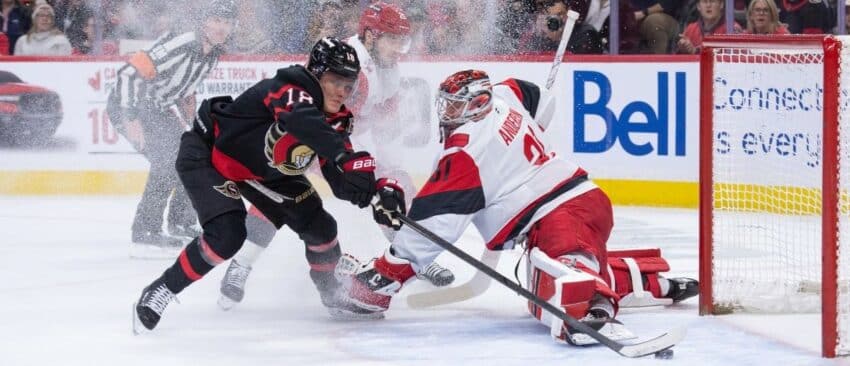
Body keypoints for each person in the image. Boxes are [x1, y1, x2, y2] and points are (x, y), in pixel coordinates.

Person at [336, 70, 699, 344]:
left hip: (563, 212)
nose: (446, 112)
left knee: (555, 290)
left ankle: (594, 311)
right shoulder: (504, 95)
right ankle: (655, 282)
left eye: (455, 104)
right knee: (543, 274)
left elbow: (434, 226)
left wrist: (387, 276)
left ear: (477, 103)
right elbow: (539, 98)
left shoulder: (466, 151)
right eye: (446, 103)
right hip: (573, 205)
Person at [132, 36, 408, 333]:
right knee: (227, 235)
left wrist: (376, 193)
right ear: (315, 73)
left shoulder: (338, 121)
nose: (342, 91)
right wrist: (342, 154)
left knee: (321, 227)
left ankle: (332, 293)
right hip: (210, 154)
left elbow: (342, 183)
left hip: (265, 173)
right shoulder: (290, 87)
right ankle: (162, 289)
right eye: (335, 81)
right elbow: (303, 121)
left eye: (348, 85)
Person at [216, 1, 454, 311]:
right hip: (300, 139)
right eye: (392, 39)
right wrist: (359, 168)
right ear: (370, 36)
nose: (399, 49)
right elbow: (325, 127)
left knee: (395, 187)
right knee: (282, 196)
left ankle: (412, 256)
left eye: (402, 41)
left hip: (332, 141)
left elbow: (383, 125)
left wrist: (390, 171)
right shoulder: (355, 71)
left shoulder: (388, 70)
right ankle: (241, 265)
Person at [107, 0, 235, 257]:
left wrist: (189, 114)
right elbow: (128, 74)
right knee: (167, 162)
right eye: (216, 21)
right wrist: (131, 118)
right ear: (204, 22)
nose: (221, 28)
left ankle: (180, 222)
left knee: (193, 159)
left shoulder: (214, 53)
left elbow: (183, 87)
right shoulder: (183, 43)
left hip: (159, 109)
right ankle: (145, 230)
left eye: (227, 23)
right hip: (129, 105)